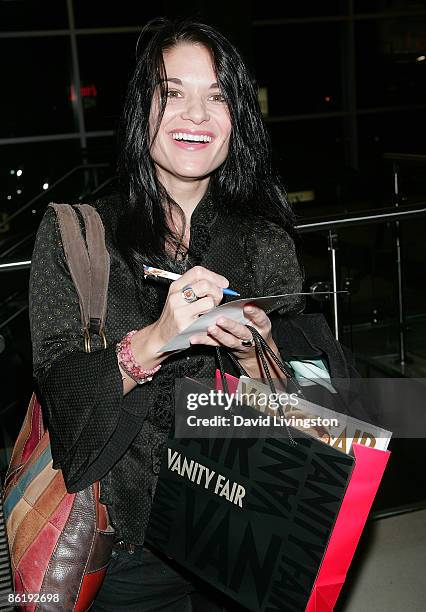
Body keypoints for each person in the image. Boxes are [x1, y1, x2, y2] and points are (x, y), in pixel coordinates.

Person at [29, 17, 304, 611]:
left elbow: (308, 416)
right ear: (139, 112)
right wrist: (155, 339)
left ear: (239, 120)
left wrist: (255, 352)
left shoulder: (265, 242)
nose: (196, 115)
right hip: (127, 552)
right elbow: (64, 404)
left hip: (246, 528)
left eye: (218, 96)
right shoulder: (79, 235)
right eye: (172, 93)